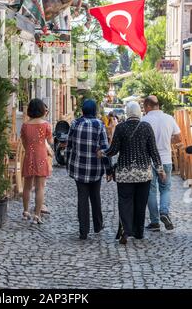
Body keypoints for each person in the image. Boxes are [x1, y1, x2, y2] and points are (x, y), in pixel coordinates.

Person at [99, 101, 166, 245]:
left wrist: (102, 153)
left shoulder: (121, 127)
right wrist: (160, 170)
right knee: (140, 204)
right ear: (139, 112)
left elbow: (114, 150)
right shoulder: (146, 127)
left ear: (128, 113)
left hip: (125, 173)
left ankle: (125, 230)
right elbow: (153, 151)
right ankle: (138, 232)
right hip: (144, 174)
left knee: (125, 202)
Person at [66, 99, 113, 240]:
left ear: (83, 110)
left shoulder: (75, 123)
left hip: (79, 168)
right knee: (95, 196)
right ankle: (98, 226)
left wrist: (68, 164)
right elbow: (105, 148)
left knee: (82, 197)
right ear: (94, 110)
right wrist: (109, 169)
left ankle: (83, 231)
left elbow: (69, 146)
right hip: (95, 168)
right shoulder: (99, 125)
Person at [142, 95, 181, 231]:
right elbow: (178, 137)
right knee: (165, 189)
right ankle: (164, 212)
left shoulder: (144, 120)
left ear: (148, 106)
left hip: (149, 161)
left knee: (151, 191)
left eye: (144, 107)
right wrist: (167, 141)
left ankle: (155, 222)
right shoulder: (169, 118)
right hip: (165, 160)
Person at [21, 98, 53, 224]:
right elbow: (50, 141)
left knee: (27, 187)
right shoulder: (45, 125)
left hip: (29, 156)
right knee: (40, 188)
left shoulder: (25, 126)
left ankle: (25, 211)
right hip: (41, 157)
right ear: (42, 110)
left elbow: (24, 143)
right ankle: (37, 215)